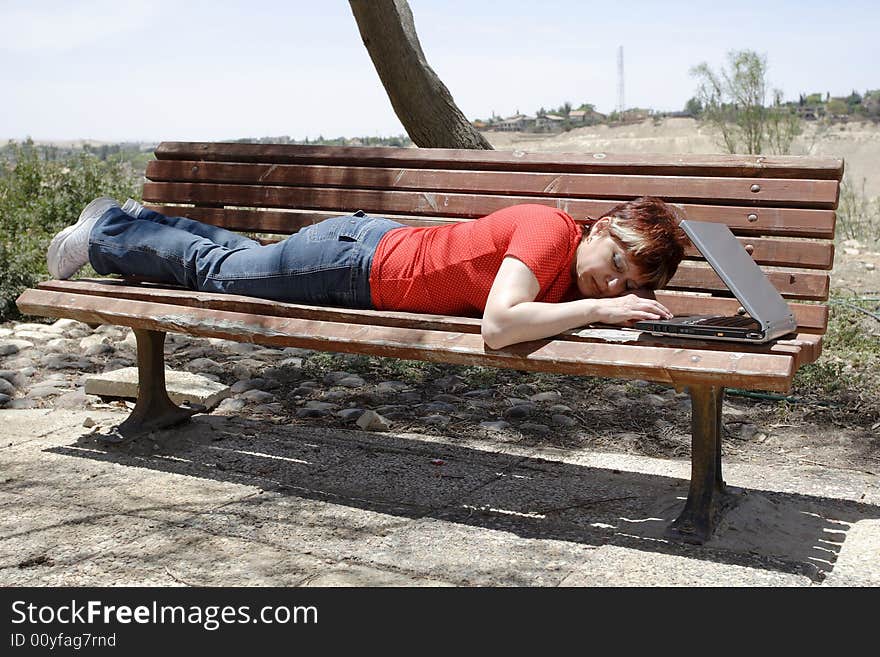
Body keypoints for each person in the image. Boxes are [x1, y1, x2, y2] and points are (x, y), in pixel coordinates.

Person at [47, 196, 687, 349]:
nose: (614, 287)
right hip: (352, 266)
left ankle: (134, 218)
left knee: (240, 261)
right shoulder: (551, 231)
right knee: (222, 274)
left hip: (367, 251)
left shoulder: (572, 264)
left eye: (630, 288)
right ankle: (105, 234)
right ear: (602, 229)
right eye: (617, 270)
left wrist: (612, 316)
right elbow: (499, 327)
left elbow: (541, 312)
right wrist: (600, 313)